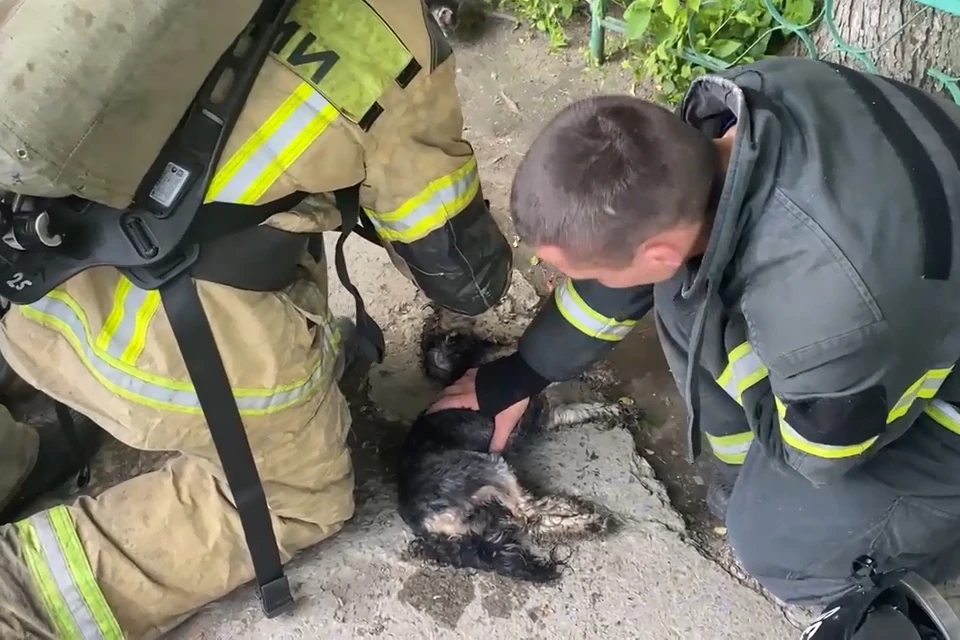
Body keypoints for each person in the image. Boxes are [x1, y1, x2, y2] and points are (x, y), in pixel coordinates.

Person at [0, 0, 512, 637]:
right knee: (300, 497)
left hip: (24, 285)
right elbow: (464, 277)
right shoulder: (389, 29)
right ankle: (22, 592)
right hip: (151, 351)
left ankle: (10, 459)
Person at [429, 56, 960, 636]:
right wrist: (520, 376)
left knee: (776, 545)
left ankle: (915, 565)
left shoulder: (831, 319)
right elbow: (631, 269)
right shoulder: (737, 113)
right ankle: (741, 479)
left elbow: (822, 456)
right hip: (908, 275)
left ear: (657, 252)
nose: (588, 285)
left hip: (928, 387)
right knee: (687, 297)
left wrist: (730, 358)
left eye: (593, 274)